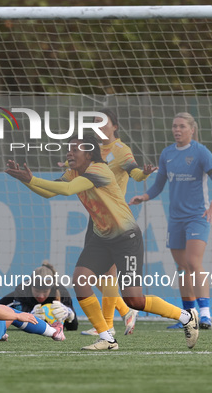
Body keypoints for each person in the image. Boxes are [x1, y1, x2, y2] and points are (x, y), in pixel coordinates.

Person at [5, 134, 199, 351]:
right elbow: (49, 192)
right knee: (80, 280)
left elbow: (67, 190)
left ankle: (186, 317)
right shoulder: (73, 172)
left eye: (74, 149)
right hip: (102, 238)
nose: (69, 153)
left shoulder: (98, 169)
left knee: (134, 300)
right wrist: (25, 180)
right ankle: (107, 338)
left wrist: (31, 179)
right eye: (68, 149)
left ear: (89, 153)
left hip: (127, 238)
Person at [129, 112, 212, 330]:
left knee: (193, 262)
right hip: (175, 220)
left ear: (192, 129)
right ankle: (189, 317)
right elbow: (158, 185)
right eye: (174, 126)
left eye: (182, 126)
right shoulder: (167, 154)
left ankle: (206, 314)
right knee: (181, 267)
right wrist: (143, 197)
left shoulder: (201, 152)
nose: (177, 130)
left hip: (197, 217)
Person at [80, 108, 156, 337]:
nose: (98, 126)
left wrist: (144, 173)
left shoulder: (121, 151)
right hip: (96, 217)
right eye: (95, 122)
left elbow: (134, 172)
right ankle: (123, 312)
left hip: (115, 219)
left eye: (103, 122)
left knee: (106, 275)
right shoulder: (91, 150)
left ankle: (108, 324)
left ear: (115, 126)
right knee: (95, 275)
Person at [0, 261, 78, 331]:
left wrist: (70, 315)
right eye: (37, 291)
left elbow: (73, 327)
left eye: (45, 291)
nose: (41, 296)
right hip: (25, 302)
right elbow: (16, 320)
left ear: (51, 288)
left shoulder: (61, 291)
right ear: (31, 286)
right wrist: (29, 314)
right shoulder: (22, 290)